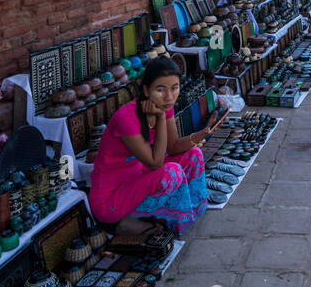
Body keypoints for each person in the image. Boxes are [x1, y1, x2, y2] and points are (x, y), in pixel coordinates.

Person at [88, 58, 221, 233]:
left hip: (139, 178)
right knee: (171, 172)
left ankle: (189, 212)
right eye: (160, 89)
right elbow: (155, 163)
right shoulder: (126, 119)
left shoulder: (165, 105)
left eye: (174, 88)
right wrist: (159, 118)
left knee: (194, 154)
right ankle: (139, 220)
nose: (169, 96)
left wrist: (202, 133)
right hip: (111, 198)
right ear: (146, 90)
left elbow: (172, 147)